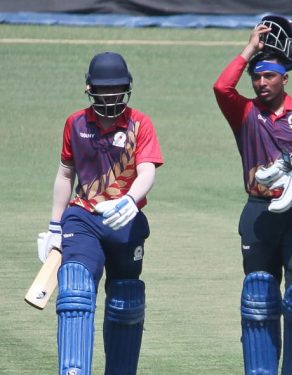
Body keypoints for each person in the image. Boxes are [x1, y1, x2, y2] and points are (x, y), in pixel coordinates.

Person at [213, 15, 292, 372]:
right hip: (260, 211)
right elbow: (222, 88)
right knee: (259, 295)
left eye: (269, 76)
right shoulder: (246, 112)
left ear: (285, 78)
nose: (261, 82)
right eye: (257, 76)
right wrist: (248, 49)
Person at [36, 51, 163, 375]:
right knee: (75, 287)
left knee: (126, 298)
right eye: (104, 89)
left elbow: (147, 170)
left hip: (125, 219)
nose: (110, 95)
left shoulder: (140, 123)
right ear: (90, 89)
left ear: (127, 88)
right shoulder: (76, 123)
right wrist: (54, 226)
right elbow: (66, 175)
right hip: (84, 216)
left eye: (116, 88)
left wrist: (130, 201)